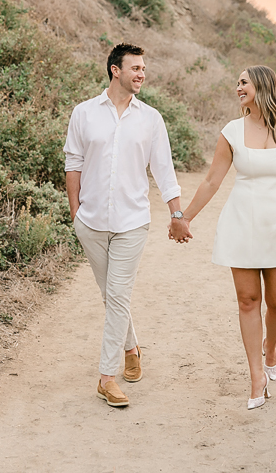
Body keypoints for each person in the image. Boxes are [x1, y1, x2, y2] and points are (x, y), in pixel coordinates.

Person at [169, 65, 276, 410]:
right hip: (242, 224)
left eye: (243, 82)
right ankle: (256, 376)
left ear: (262, 85)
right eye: (237, 83)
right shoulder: (232, 131)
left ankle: (270, 347)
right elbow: (211, 181)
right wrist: (183, 217)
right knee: (248, 301)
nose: (238, 87)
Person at [64, 43, 184, 408]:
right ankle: (131, 348)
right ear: (115, 70)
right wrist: (76, 214)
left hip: (132, 222)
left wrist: (177, 215)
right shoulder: (84, 113)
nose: (141, 74)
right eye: (135, 68)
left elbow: (164, 170)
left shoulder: (151, 119)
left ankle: (106, 378)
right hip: (91, 222)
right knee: (111, 296)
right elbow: (73, 164)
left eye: (143, 68)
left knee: (117, 295)